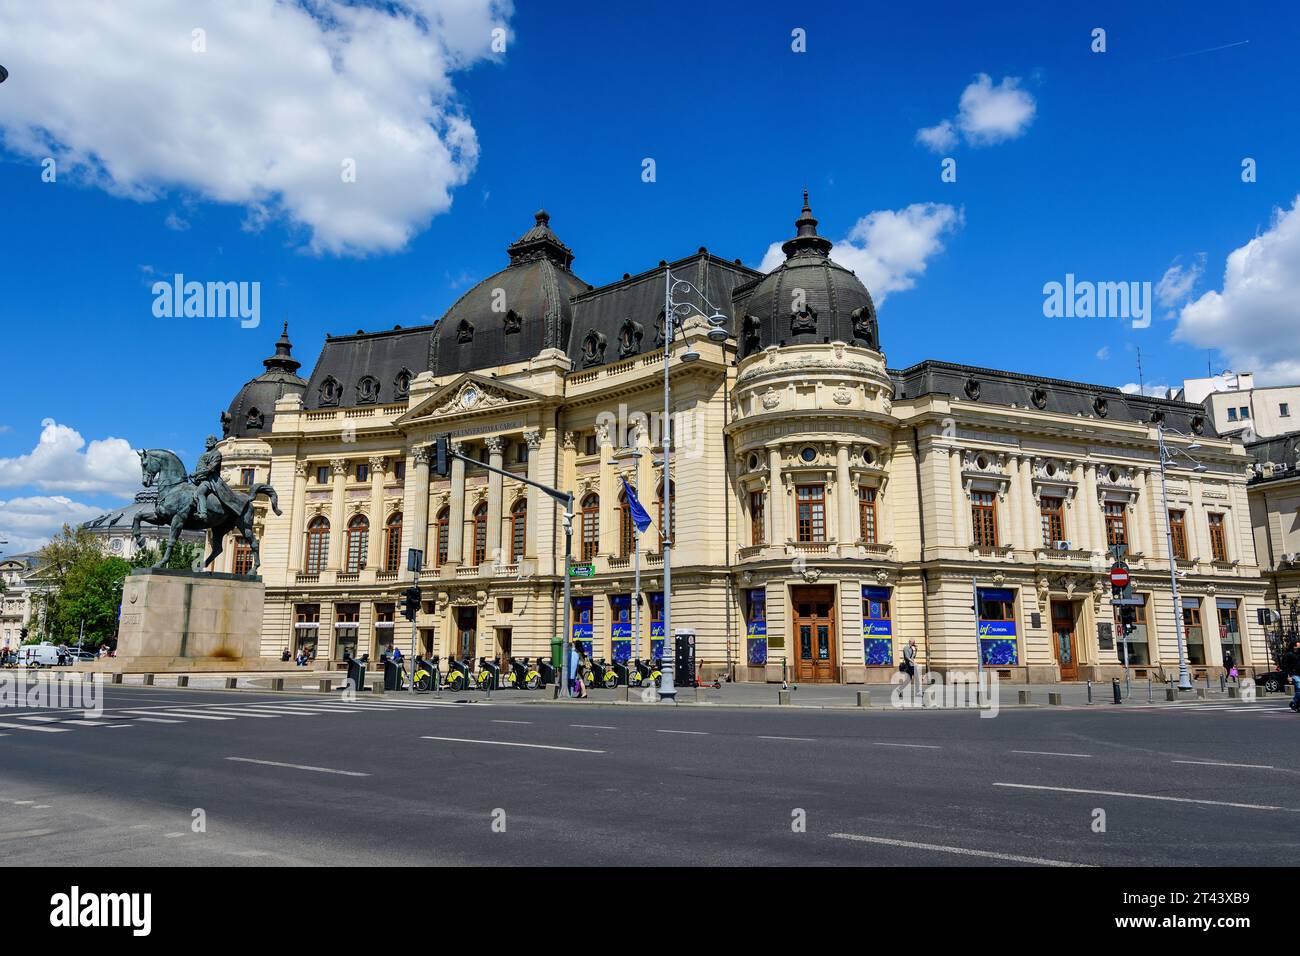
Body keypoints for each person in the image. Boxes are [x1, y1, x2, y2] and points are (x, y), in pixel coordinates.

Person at [1285, 641, 1300, 713]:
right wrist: (1288, 675)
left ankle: (1295, 703)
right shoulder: (1289, 654)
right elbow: (1287, 666)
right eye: (1298, 646)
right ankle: (1295, 702)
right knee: (1299, 689)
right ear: (1294, 647)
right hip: (1294, 674)